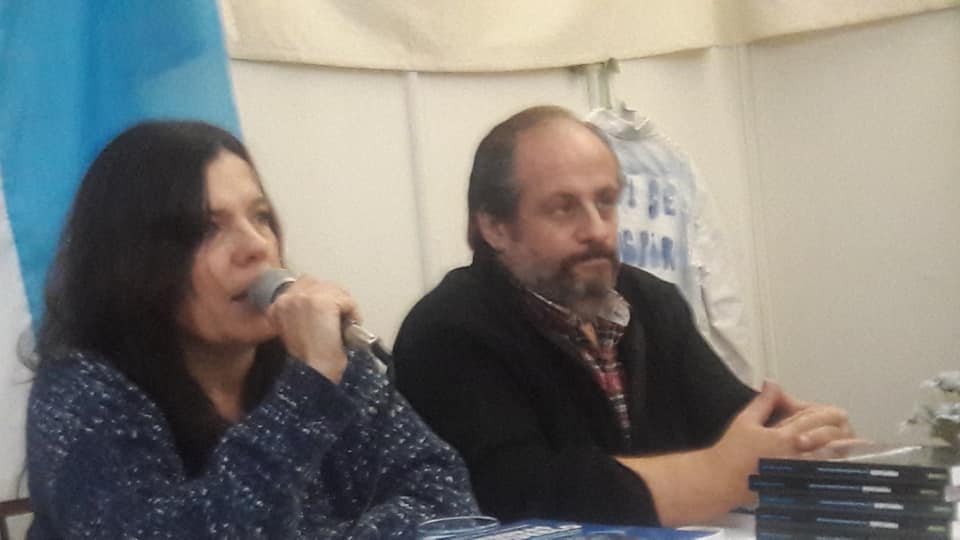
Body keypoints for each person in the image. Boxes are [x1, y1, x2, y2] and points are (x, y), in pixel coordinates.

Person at [393, 106, 853, 527]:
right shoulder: (446, 332)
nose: (596, 230)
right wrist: (719, 473)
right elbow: (520, 496)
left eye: (606, 201)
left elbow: (728, 420)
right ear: (496, 227)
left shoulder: (651, 301)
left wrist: (800, 438)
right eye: (563, 208)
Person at [26, 121, 478, 538]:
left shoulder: (325, 357)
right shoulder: (82, 389)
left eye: (260, 217)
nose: (256, 246)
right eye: (208, 228)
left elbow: (444, 495)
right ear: (133, 262)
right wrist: (308, 392)